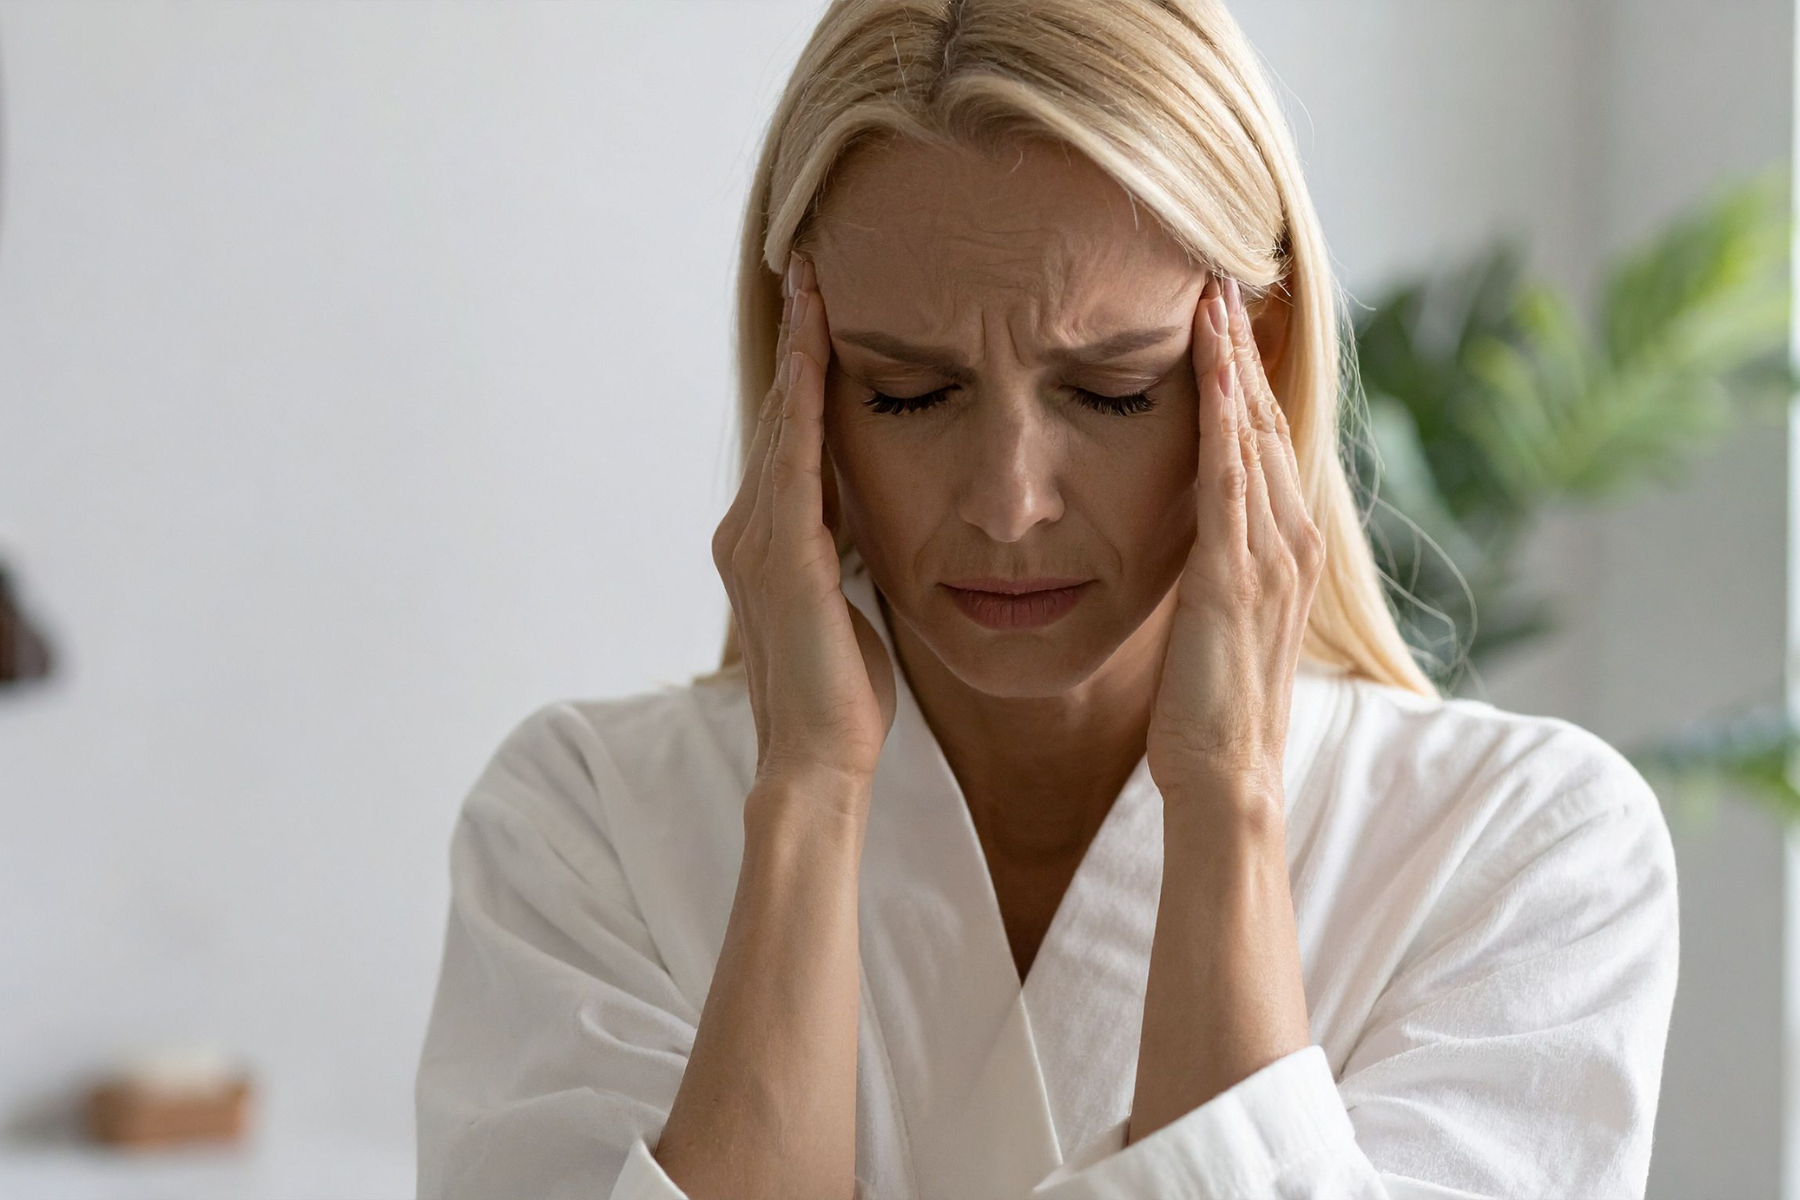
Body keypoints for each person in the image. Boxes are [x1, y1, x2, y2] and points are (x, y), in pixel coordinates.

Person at [414, 1, 1679, 1197]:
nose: (1009, 502)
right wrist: (806, 793)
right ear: (807, 380)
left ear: (1262, 351)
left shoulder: (1522, 853)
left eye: (1111, 392)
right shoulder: (585, 832)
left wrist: (1228, 799)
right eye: (909, 393)